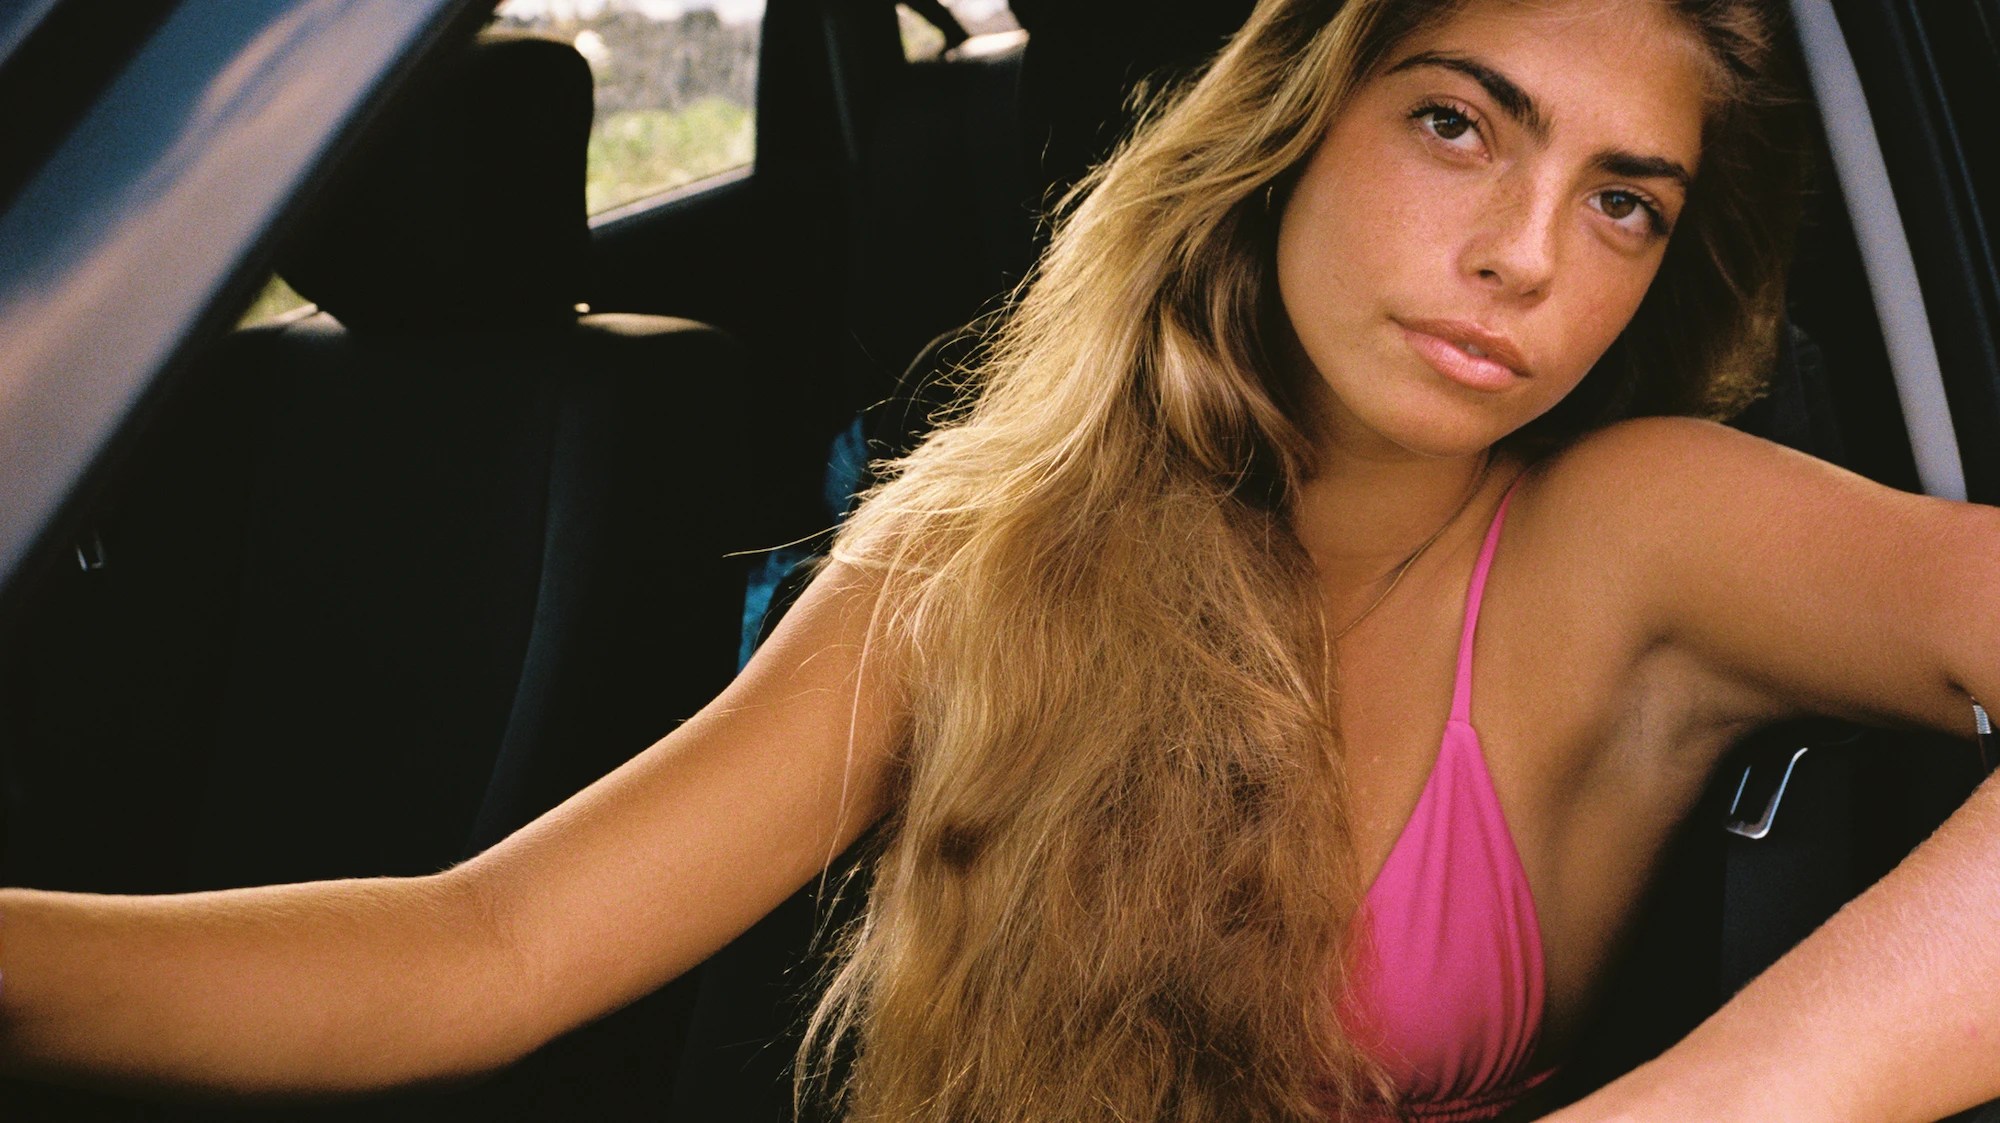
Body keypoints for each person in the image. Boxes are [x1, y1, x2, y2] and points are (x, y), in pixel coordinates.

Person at [2, 0, 1998, 1120]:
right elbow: (487, 951)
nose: (1528, 257)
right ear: (1294, 119)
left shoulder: (1626, 532)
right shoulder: (973, 558)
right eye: (1461, 126)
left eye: (1625, 204)